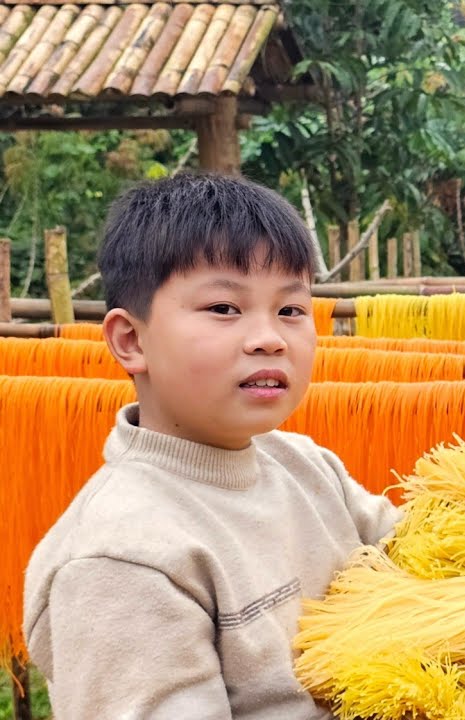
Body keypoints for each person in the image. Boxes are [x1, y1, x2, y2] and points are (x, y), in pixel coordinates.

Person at [22, 172, 401, 718]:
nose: (269, 337)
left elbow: (425, 554)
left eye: (291, 310)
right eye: (225, 308)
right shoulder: (124, 562)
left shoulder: (308, 468)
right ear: (131, 340)